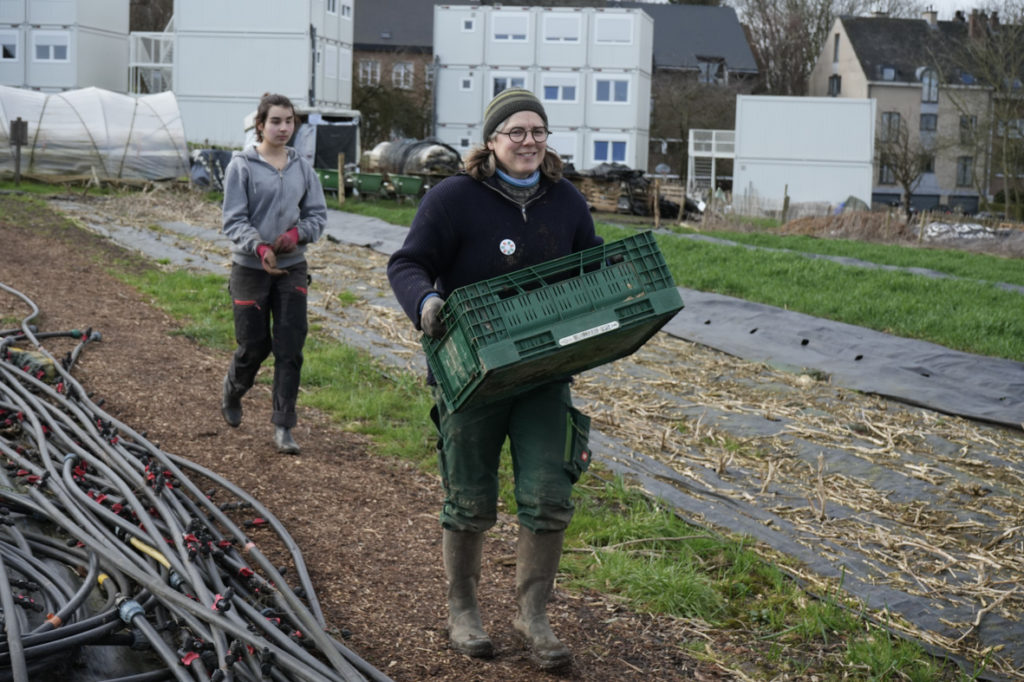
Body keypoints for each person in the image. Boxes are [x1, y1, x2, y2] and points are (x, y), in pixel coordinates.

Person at [387, 88, 601, 671]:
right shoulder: (454, 198)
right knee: (469, 498)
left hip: (543, 374)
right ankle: (464, 610)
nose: (528, 141)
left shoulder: (566, 203)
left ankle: (532, 615)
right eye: (516, 132)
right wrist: (427, 302)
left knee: (549, 496)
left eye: (538, 131)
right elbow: (407, 263)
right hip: (471, 374)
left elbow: (592, 269)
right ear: (491, 141)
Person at [220, 93, 327, 454]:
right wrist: (260, 247)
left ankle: (283, 425)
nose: (284, 128)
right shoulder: (242, 166)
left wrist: (297, 235)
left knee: (289, 345)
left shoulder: (302, 168)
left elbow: (317, 216)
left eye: (289, 121)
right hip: (251, 268)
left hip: (292, 266)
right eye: (276, 121)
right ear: (260, 125)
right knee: (254, 345)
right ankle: (234, 388)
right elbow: (233, 219)